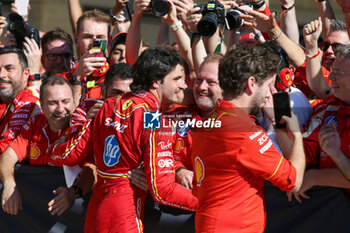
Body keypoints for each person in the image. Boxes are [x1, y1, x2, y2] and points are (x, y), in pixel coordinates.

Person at [48, 47, 198, 233]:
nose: (183, 85)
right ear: (155, 82)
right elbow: (163, 190)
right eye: (177, 79)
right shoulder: (154, 118)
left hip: (97, 213)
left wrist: (85, 124)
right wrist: (208, 202)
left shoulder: (106, 105)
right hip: (124, 216)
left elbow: (64, 155)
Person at [191, 44, 306, 233]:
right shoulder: (243, 131)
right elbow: (292, 180)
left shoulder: (209, 120)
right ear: (251, 84)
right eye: (268, 85)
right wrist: (296, 135)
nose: (270, 92)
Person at [0, 75, 92, 216]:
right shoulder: (35, 123)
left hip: (74, 215)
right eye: (53, 103)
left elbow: (93, 168)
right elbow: (8, 156)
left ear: (74, 102)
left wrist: (74, 192)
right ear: (41, 106)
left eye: (65, 101)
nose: (60, 109)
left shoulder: (81, 126)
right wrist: (9, 185)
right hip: (37, 215)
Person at [291, 44, 350, 201]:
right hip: (332, 213)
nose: (330, 78)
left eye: (337, 73)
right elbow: (303, 155)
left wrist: (314, 177)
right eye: (331, 72)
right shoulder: (328, 107)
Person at [0, 47, 41, 154]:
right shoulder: (5, 98)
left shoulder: (29, 100)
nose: (1, 75)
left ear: (26, 74)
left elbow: (6, 147)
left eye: (9, 69)